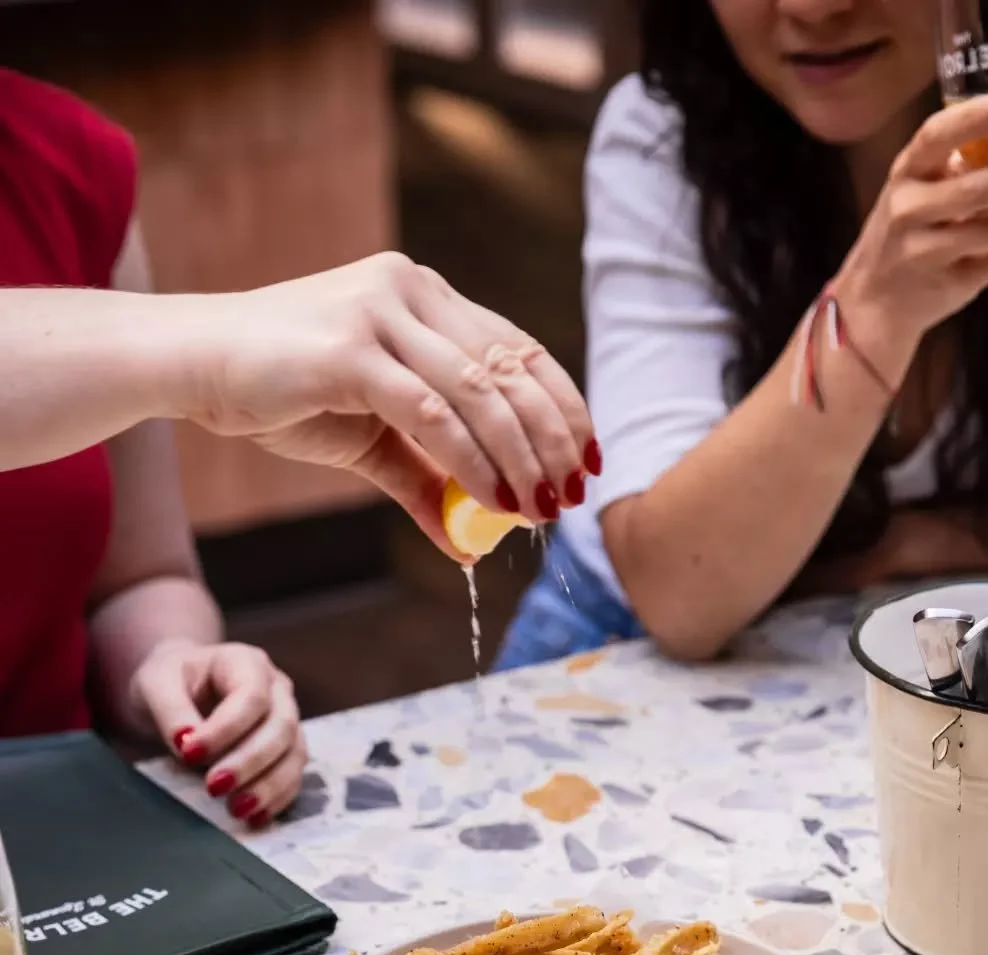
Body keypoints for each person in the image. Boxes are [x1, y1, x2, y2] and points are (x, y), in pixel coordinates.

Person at [0, 69, 595, 819]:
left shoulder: (68, 161)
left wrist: (174, 665)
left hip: (46, 835)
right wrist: (207, 349)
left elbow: (141, 578)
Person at [496, 0, 988, 670]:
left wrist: (909, 545)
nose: (813, 6)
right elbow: (678, 594)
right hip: (627, 654)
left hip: (968, 644)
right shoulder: (666, 134)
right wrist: (874, 305)